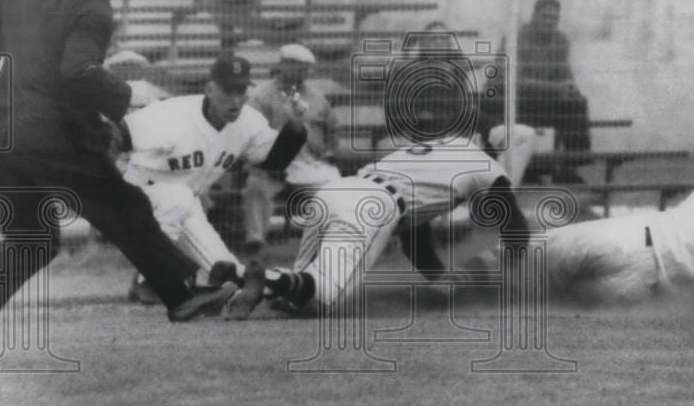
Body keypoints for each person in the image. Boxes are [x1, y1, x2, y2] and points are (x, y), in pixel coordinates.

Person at [0, 0, 238, 327]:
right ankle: (182, 294)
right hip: (50, 132)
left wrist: (20, 43)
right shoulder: (94, 8)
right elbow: (78, 72)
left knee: (31, 237)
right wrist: (129, 94)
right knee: (125, 206)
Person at [223, 134, 531, 319]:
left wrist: (438, 276)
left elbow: (415, 231)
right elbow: (515, 227)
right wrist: (512, 274)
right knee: (325, 299)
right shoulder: (485, 164)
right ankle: (259, 275)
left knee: (301, 299)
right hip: (372, 205)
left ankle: (256, 283)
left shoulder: (440, 147)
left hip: (336, 190)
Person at [471, 160, 694, 304]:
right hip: (641, 287)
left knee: (516, 262)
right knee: (553, 305)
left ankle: (454, 284)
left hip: (627, 236)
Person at [119, 52, 308, 303]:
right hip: (134, 198)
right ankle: (150, 280)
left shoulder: (249, 123)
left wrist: (294, 126)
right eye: (228, 91)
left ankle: (291, 287)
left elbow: (273, 162)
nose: (236, 100)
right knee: (177, 197)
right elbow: (115, 136)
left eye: (241, 91)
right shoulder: (173, 114)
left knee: (227, 270)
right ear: (210, 89)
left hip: (182, 205)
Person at [243, 44, 340, 252]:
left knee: (334, 191)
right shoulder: (261, 96)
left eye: (305, 68)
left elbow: (332, 127)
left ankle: (334, 243)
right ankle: (255, 243)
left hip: (310, 163)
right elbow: (249, 132)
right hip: (272, 164)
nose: (302, 72)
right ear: (283, 65)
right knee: (255, 186)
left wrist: (330, 151)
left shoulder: (316, 97)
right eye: (297, 66)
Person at [517, 0, 592, 183]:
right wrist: (554, 87)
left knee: (577, 103)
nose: (549, 22)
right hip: (518, 99)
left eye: (554, 18)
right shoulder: (518, 38)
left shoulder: (560, 40)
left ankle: (570, 167)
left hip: (547, 98)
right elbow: (514, 80)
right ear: (534, 16)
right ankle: (532, 169)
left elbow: (564, 72)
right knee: (537, 107)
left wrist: (570, 87)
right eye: (545, 17)